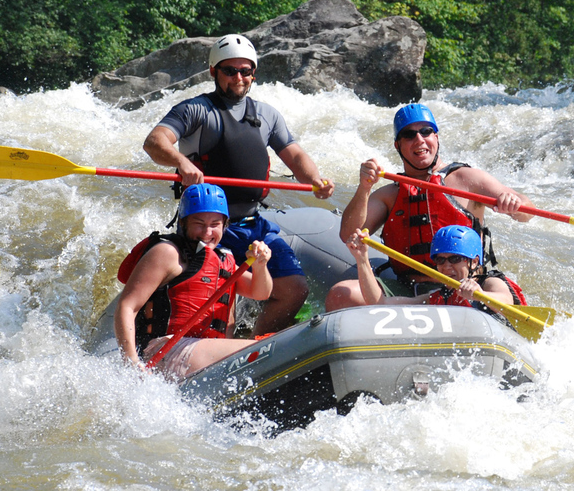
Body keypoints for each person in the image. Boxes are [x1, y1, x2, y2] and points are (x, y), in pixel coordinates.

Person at [142, 33, 335, 336]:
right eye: (230, 70)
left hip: (253, 223)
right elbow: (155, 141)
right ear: (213, 72)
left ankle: (257, 348)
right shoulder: (196, 111)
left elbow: (295, 154)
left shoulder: (267, 115)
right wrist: (182, 162)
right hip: (209, 225)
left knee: (294, 289)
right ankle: (223, 353)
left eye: (245, 71)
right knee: (222, 301)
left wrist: (314, 179)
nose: (238, 77)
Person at [325, 103, 535, 311]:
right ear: (398, 145)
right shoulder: (389, 194)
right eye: (409, 134)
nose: (419, 140)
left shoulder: (467, 179)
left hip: (467, 286)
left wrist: (514, 204)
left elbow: (526, 211)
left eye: (426, 132)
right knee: (341, 295)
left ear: (436, 138)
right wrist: (364, 188)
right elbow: (348, 235)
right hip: (410, 289)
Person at [113, 183, 272, 379]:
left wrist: (260, 265)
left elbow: (261, 292)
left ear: (225, 225)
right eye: (199, 223)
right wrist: (131, 361)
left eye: (215, 224)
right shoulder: (168, 253)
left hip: (201, 355)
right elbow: (127, 306)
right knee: (267, 348)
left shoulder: (223, 260)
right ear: (183, 223)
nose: (207, 232)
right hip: (164, 351)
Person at [345, 225, 526, 324]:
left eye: (455, 259)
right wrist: (362, 260)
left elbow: (506, 302)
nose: (446, 266)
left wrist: (481, 295)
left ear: (475, 261)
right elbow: (380, 303)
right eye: (440, 260)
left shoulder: (490, 282)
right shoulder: (440, 297)